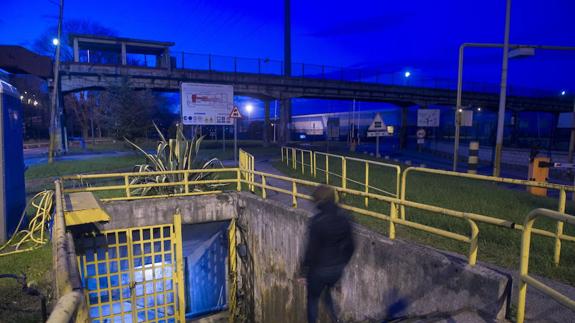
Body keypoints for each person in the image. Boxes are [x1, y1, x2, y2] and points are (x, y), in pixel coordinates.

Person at [299, 185, 355, 323]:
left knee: (312, 299)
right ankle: (335, 319)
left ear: (319, 201)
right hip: (336, 269)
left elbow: (311, 250)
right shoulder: (345, 218)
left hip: (319, 270)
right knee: (327, 293)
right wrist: (342, 263)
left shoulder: (317, 221)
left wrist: (303, 272)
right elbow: (351, 246)